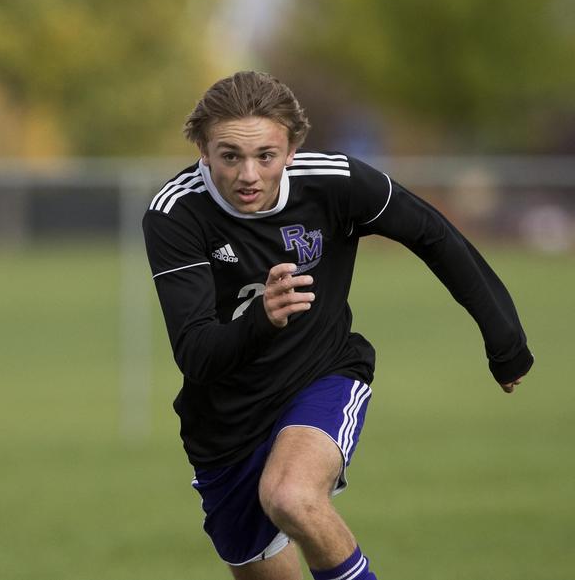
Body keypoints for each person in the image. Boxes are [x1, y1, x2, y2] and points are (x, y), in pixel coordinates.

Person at [141, 71, 533, 580]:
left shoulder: (335, 183)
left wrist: (504, 337)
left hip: (320, 375)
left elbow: (433, 235)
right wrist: (263, 318)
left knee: (291, 495)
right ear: (203, 149)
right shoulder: (176, 213)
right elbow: (196, 352)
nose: (249, 175)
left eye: (266, 155)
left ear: (292, 149)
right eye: (229, 155)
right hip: (224, 425)